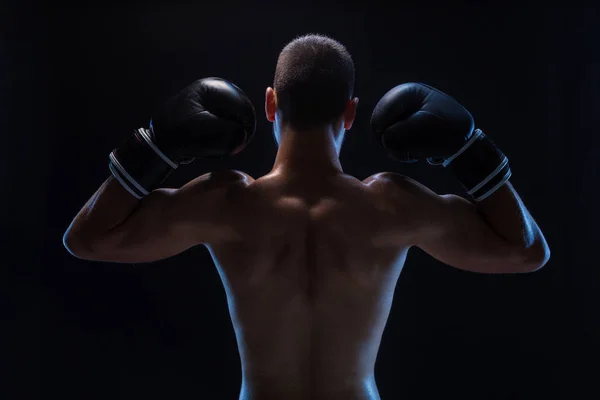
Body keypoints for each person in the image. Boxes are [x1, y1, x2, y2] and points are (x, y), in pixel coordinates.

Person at [63, 34, 550, 400]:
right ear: (352, 112)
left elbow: (86, 239)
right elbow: (527, 251)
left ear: (271, 104)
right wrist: (470, 152)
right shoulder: (390, 206)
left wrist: (153, 146)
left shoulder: (227, 203)